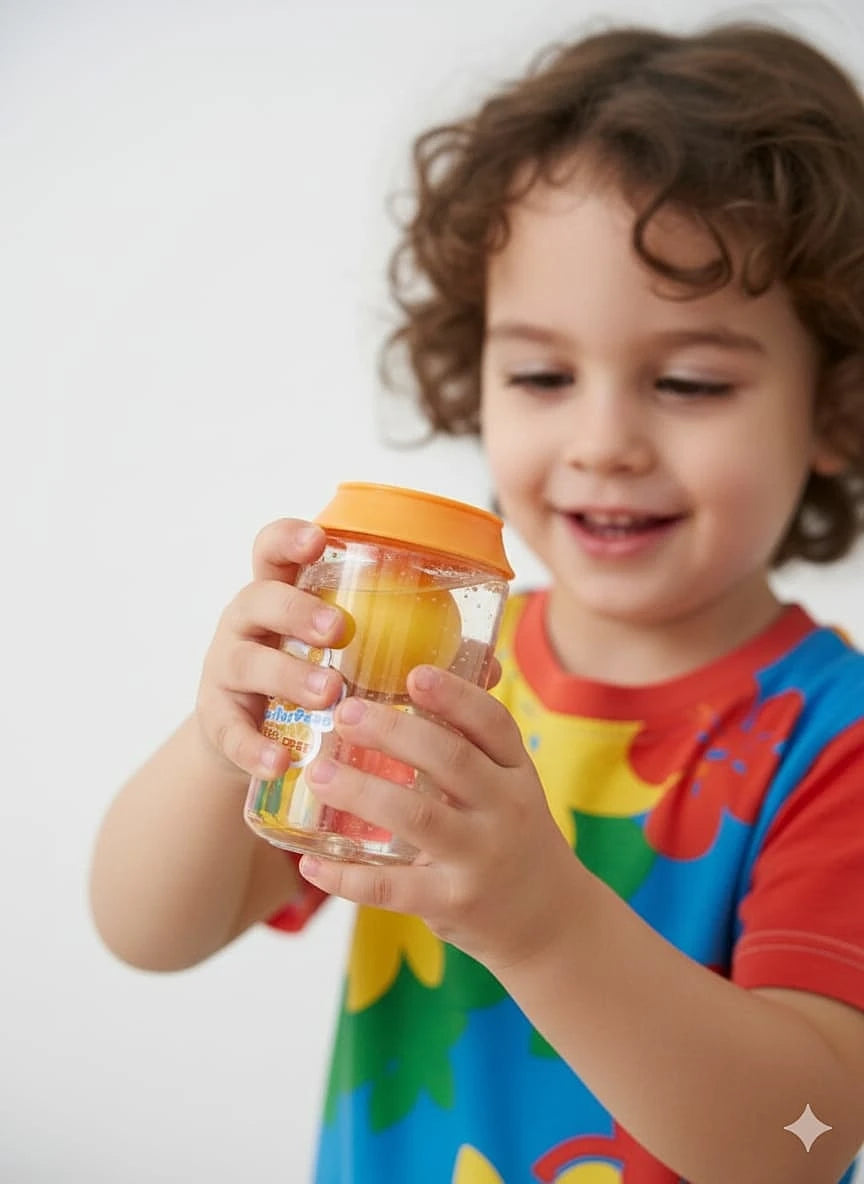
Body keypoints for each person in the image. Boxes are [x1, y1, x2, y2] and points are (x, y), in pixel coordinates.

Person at [89, 19, 864, 1184]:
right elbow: (144, 929)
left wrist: (540, 919)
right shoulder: (426, 673)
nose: (603, 442)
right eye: (544, 374)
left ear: (837, 408)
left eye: (691, 380)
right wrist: (220, 742)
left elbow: (802, 1141)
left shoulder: (835, 737)